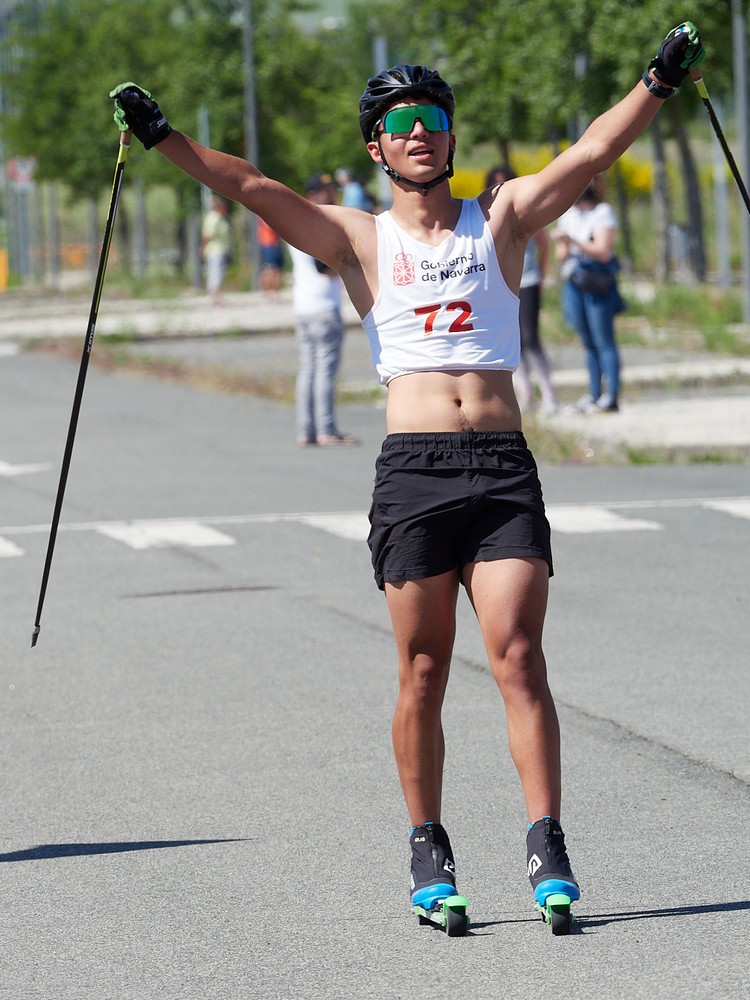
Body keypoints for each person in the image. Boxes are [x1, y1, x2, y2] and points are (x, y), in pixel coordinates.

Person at [110, 22, 705, 925]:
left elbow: (592, 150)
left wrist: (658, 81)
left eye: (433, 116)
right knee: (423, 669)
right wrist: (163, 137)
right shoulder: (357, 238)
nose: (419, 130)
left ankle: (547, 838)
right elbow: (250, 186)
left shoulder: (499, 219)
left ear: (451, 136)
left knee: (519, 659)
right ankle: (428, 843)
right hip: (416, 472)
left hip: (502, 467)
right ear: (376, 145)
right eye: (400, 120)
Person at [290, 173, 358, 446]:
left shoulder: (292, 221)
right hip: (322, 306)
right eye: (326, 191)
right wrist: (348, 263)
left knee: (308, 370)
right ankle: (326, 429)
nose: (331, 195)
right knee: (324, 371)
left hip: (303, 305)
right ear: (313, 195)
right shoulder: (315, 223)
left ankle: (306, 429)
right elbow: (323, 267)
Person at [485, 165, 558, 415]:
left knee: (530, 337)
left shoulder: (526, 214)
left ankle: (549, 394)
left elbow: (544, 244)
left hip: (528, 280)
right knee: (512, 342)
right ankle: (526, 395)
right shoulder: (486, 216)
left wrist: (543, 274)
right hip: (504, 283)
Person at [552, 175, 624, 412]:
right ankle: (594, 393)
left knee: (604, 340)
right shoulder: (568, 214)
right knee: (587, 341)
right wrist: (564, 243)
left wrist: (573, 241)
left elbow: (603, 252)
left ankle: (611, 396)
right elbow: (561, 256)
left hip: (597, 284)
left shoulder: (603, 212)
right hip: (574, 282)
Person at [200, 194, 231, 306]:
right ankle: (216, 298)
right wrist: (203, 248)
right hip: (215, 250)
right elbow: (208, 235)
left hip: (220, 250)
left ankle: (216, 297)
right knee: (216, 273)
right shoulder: (214, 219)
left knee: (218, 273)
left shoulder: (220, 219)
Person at [257, 217, 284, 297]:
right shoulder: (263, 215)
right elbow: (269, 226)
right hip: (268, 244)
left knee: (277, 269)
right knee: (269, 269)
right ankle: (266, 292)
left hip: (275, 244)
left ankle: (275, 292)